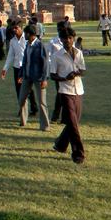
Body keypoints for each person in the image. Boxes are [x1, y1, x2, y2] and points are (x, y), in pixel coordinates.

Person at [50, 27, 87, 164]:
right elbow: (52, 75)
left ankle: (60, 144)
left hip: (78, 90)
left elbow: (83, 70)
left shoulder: (78, 53)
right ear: (61, 40)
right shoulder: (56, 56)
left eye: (70, 38)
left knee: (74, 122)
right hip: (65, 91)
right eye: (65, 38)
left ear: (73, 38)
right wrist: (65, 78)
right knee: (72, 123)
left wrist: (77, 73)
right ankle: (78, 153)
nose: (68, 41)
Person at [18, 24, 50, 130]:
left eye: (25, 33)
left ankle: (45, 126)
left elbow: (46, 63)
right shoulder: (27, 44)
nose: (24, 35)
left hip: (39, 77)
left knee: (42, 102)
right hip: (27, 76)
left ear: (30, 34)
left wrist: (45, 78)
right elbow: (25, 60)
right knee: (22, 99)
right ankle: (23, 121)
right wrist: (21, 74)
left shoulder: (41, 45)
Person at [1, 21, 36, 114]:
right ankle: (22, 108)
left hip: (27, 67)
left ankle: (33, 107)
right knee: (19, 89)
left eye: (16, 28)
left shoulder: (27, 39)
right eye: (13, 28)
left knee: (29, 89)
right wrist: (5, 68)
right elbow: (10, 56)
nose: (14, 30)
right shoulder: (13, 41)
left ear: (21, 28)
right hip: (17, 68)